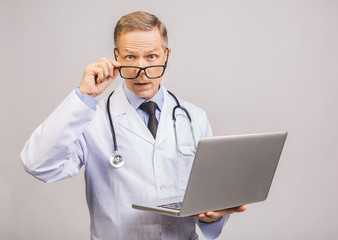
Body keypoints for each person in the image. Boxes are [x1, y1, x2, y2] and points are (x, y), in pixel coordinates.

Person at [20, 11, 246, 240]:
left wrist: (213, 217)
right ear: (115, 56)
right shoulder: (90, 118)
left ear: (166, 56)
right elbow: (37, 163)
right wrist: (84, 96)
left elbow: (208, 200)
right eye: (130, 57)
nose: (141, 70)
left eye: (151, 57)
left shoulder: (194, 117)